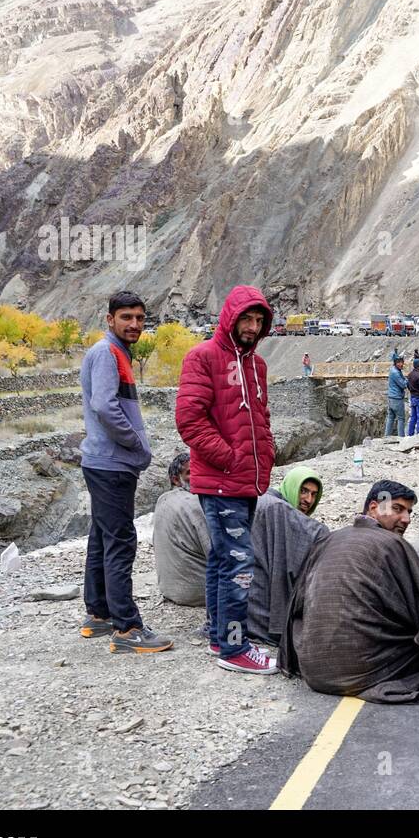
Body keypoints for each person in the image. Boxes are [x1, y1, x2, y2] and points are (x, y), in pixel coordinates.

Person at [176, 284, 278, 675]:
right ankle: (235, 649)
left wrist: (264, 454)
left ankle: (219, 636)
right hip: (220, 480)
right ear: (230, 318)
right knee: (239, 562)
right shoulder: (202, 357)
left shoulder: (257, 365)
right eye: (246, 319)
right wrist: (231, 458)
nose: (252, 327)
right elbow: (189, 420)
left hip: (246, 480)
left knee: (223, 558)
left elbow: (260, 418)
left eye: (258, 320)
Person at [280, 480, 419, 702]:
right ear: (374, 507)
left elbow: (297, 605)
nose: (406, 519)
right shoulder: (393, 544)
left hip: (314, 672)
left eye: (409, 512)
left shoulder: (328, 539)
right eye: (397, 509)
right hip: (363, 672)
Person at [79, 291, 170, 653]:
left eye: (139, 318)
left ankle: (98, 614)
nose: (134, 324)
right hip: (112, 463)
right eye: (126, 317)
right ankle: (127, 627)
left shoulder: (115, 352)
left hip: (103, 462)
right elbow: (104, 405)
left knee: (102, 537)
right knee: (120, 541)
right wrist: (136, 443)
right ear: (110, 319)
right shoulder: (106, 352)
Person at [246, 466, 329, 646]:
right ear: (291, 486)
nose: (308, 500)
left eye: (314, 495)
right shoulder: (278, 508)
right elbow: (321, 535)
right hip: (258, 607)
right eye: (304, 491)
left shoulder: (265, 499)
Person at [153, 452, 210, 607]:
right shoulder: (194, 504)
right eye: (190, 472)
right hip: (197, 591)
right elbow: (216, 553)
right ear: (176, 480)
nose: (198, 475)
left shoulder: (162, 500)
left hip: (169, 588)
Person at [385, 354, 409, 437]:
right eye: (399, 362)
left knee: (390, 417)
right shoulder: (396, 373)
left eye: (402, 362)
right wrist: (407, 381)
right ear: (395, 363)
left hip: (391, 397)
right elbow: (403, 385)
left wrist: (405, 379)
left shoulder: (394, 370)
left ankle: (387, 436)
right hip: (397, 398)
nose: (401, 364)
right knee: (401, 418)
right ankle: (401, 438)